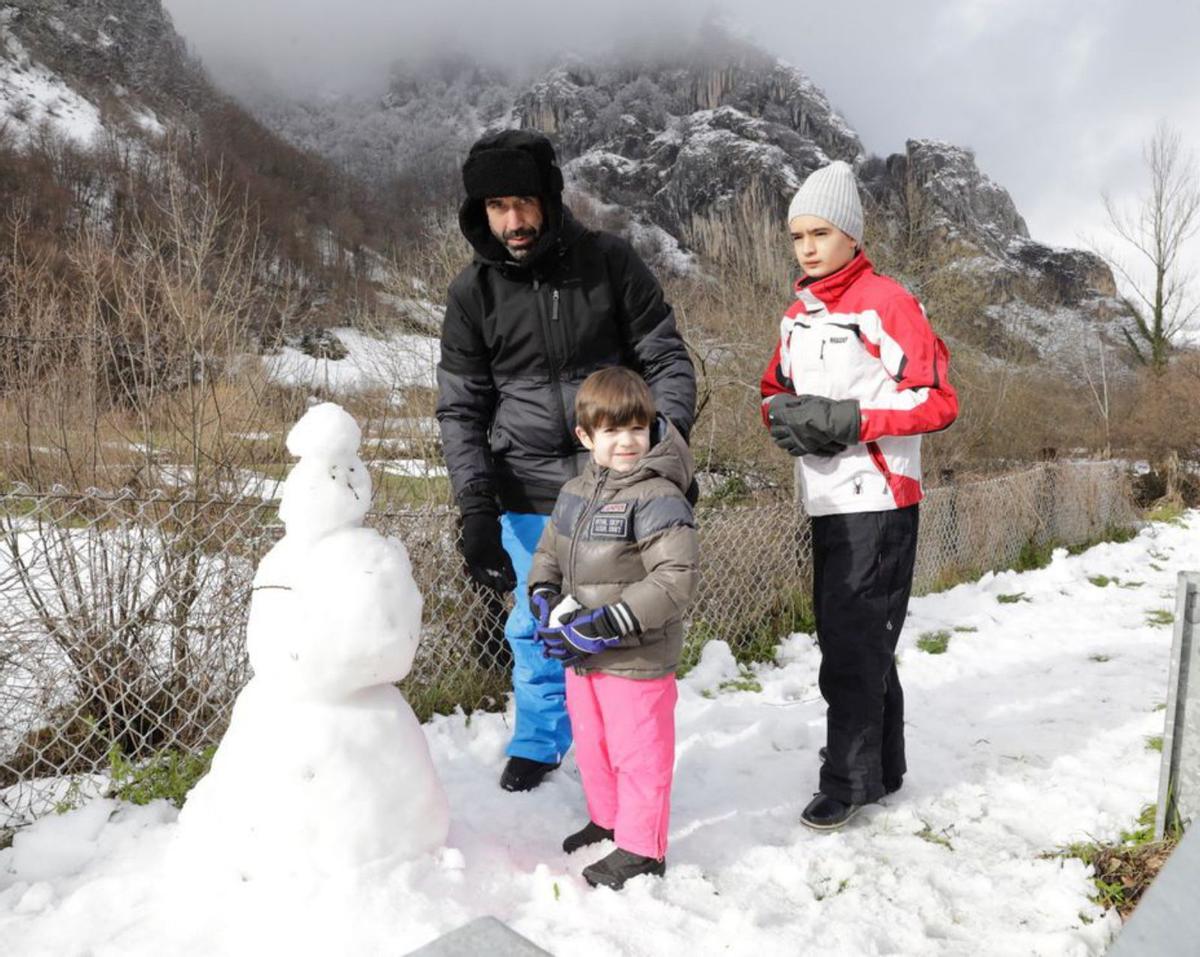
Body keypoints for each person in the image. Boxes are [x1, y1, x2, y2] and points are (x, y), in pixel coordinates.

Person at [436, 130, 696, 792]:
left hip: (617, 485)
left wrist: (665, 459)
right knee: (534, 623)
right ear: (480, 212)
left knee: (621, 622)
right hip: (524, 489)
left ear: (550, 198)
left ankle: (617, 748)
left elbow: (666, 359)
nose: (514, 222)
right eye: (497, 206)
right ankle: (542, 737)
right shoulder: (473, 295)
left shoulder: (610, 263)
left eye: (524, 201)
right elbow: (461, 408)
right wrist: (474, 507)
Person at [759, 160, 958, 830]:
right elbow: (771, 389)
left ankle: (846, 780)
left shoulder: (888, 302)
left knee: (852, 645)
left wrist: (854, 420)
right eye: (797, 236)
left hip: (879, 497)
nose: (808, 247)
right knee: (858, 640)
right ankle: (882, 765)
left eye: (821, 232)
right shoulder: (798, 313)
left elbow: (939, 400)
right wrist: (782, 421)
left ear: (851, 235)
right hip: (825, 499)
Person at [528, 367, 698, 889]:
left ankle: (643, 848)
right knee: (595, 744)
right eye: (611, 430)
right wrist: (542, 596)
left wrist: (607, 623)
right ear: (585, 436)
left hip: (635, 655)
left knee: (638, 752)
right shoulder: (574, 491)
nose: (626, 441)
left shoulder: (657, 495)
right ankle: (606, 819)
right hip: (582, 655)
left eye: (636, 429)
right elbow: (548, 553)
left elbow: (676, 578)